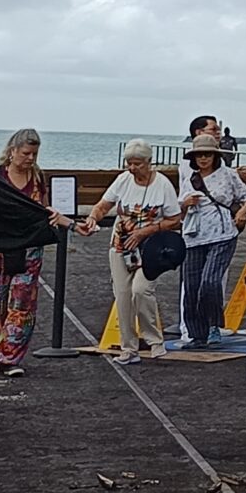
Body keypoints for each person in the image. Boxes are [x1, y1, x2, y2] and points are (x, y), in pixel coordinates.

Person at [77, 140, 181, 364]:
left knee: (141, 290)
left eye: (137, 164)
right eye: (129, 163)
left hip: (151, 248)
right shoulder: (123, 180)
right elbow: (103, 205)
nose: (132, 168)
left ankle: (154, 340)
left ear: (149, 163)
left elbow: (175, 219)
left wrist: (146, 231)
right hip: (121, 246)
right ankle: (129, 348)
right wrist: (93, 218)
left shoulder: (162, 184)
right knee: (123, 295)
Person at [0, 129, 65, 376]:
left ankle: (9, 358)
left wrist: (57, 218)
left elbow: (44, 209)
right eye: (26, 153)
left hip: (29, 250)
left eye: (35, 154)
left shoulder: (38, 178)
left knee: (22, 304)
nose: (30, 158)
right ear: (12, 151)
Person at [177, 135, 246, 349]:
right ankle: (197, 334)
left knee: (210, 281)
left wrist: (242, 214)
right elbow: (178, 207)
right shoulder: (190, 178)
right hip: (193, 235)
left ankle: (213, 325)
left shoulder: (228, 175)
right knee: (191, 286)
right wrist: (185, 203)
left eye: (207, 154)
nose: (203, 158)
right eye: (199, 154)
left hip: (222, 233)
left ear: (215, 155)